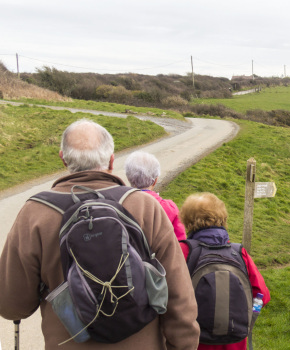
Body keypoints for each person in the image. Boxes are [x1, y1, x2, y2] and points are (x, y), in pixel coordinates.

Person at [0, 119, 200, 350]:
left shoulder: (35, 214)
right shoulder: (145, 207)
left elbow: (12, 306)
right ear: (112, 161)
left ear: (63, 158)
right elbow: (179, 297)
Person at [179, 192, 269, 350]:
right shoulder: (239, 252)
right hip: (235, 340)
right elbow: (262, 295)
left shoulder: (183, 251)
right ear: (222, 219)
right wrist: (248, 316)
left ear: (188, 223)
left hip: (195, 340)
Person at [124, 150, 187, 241]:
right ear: (155, 180)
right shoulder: (169, 208)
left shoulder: (121, 204)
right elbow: (180, 242)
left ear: (128, 178)